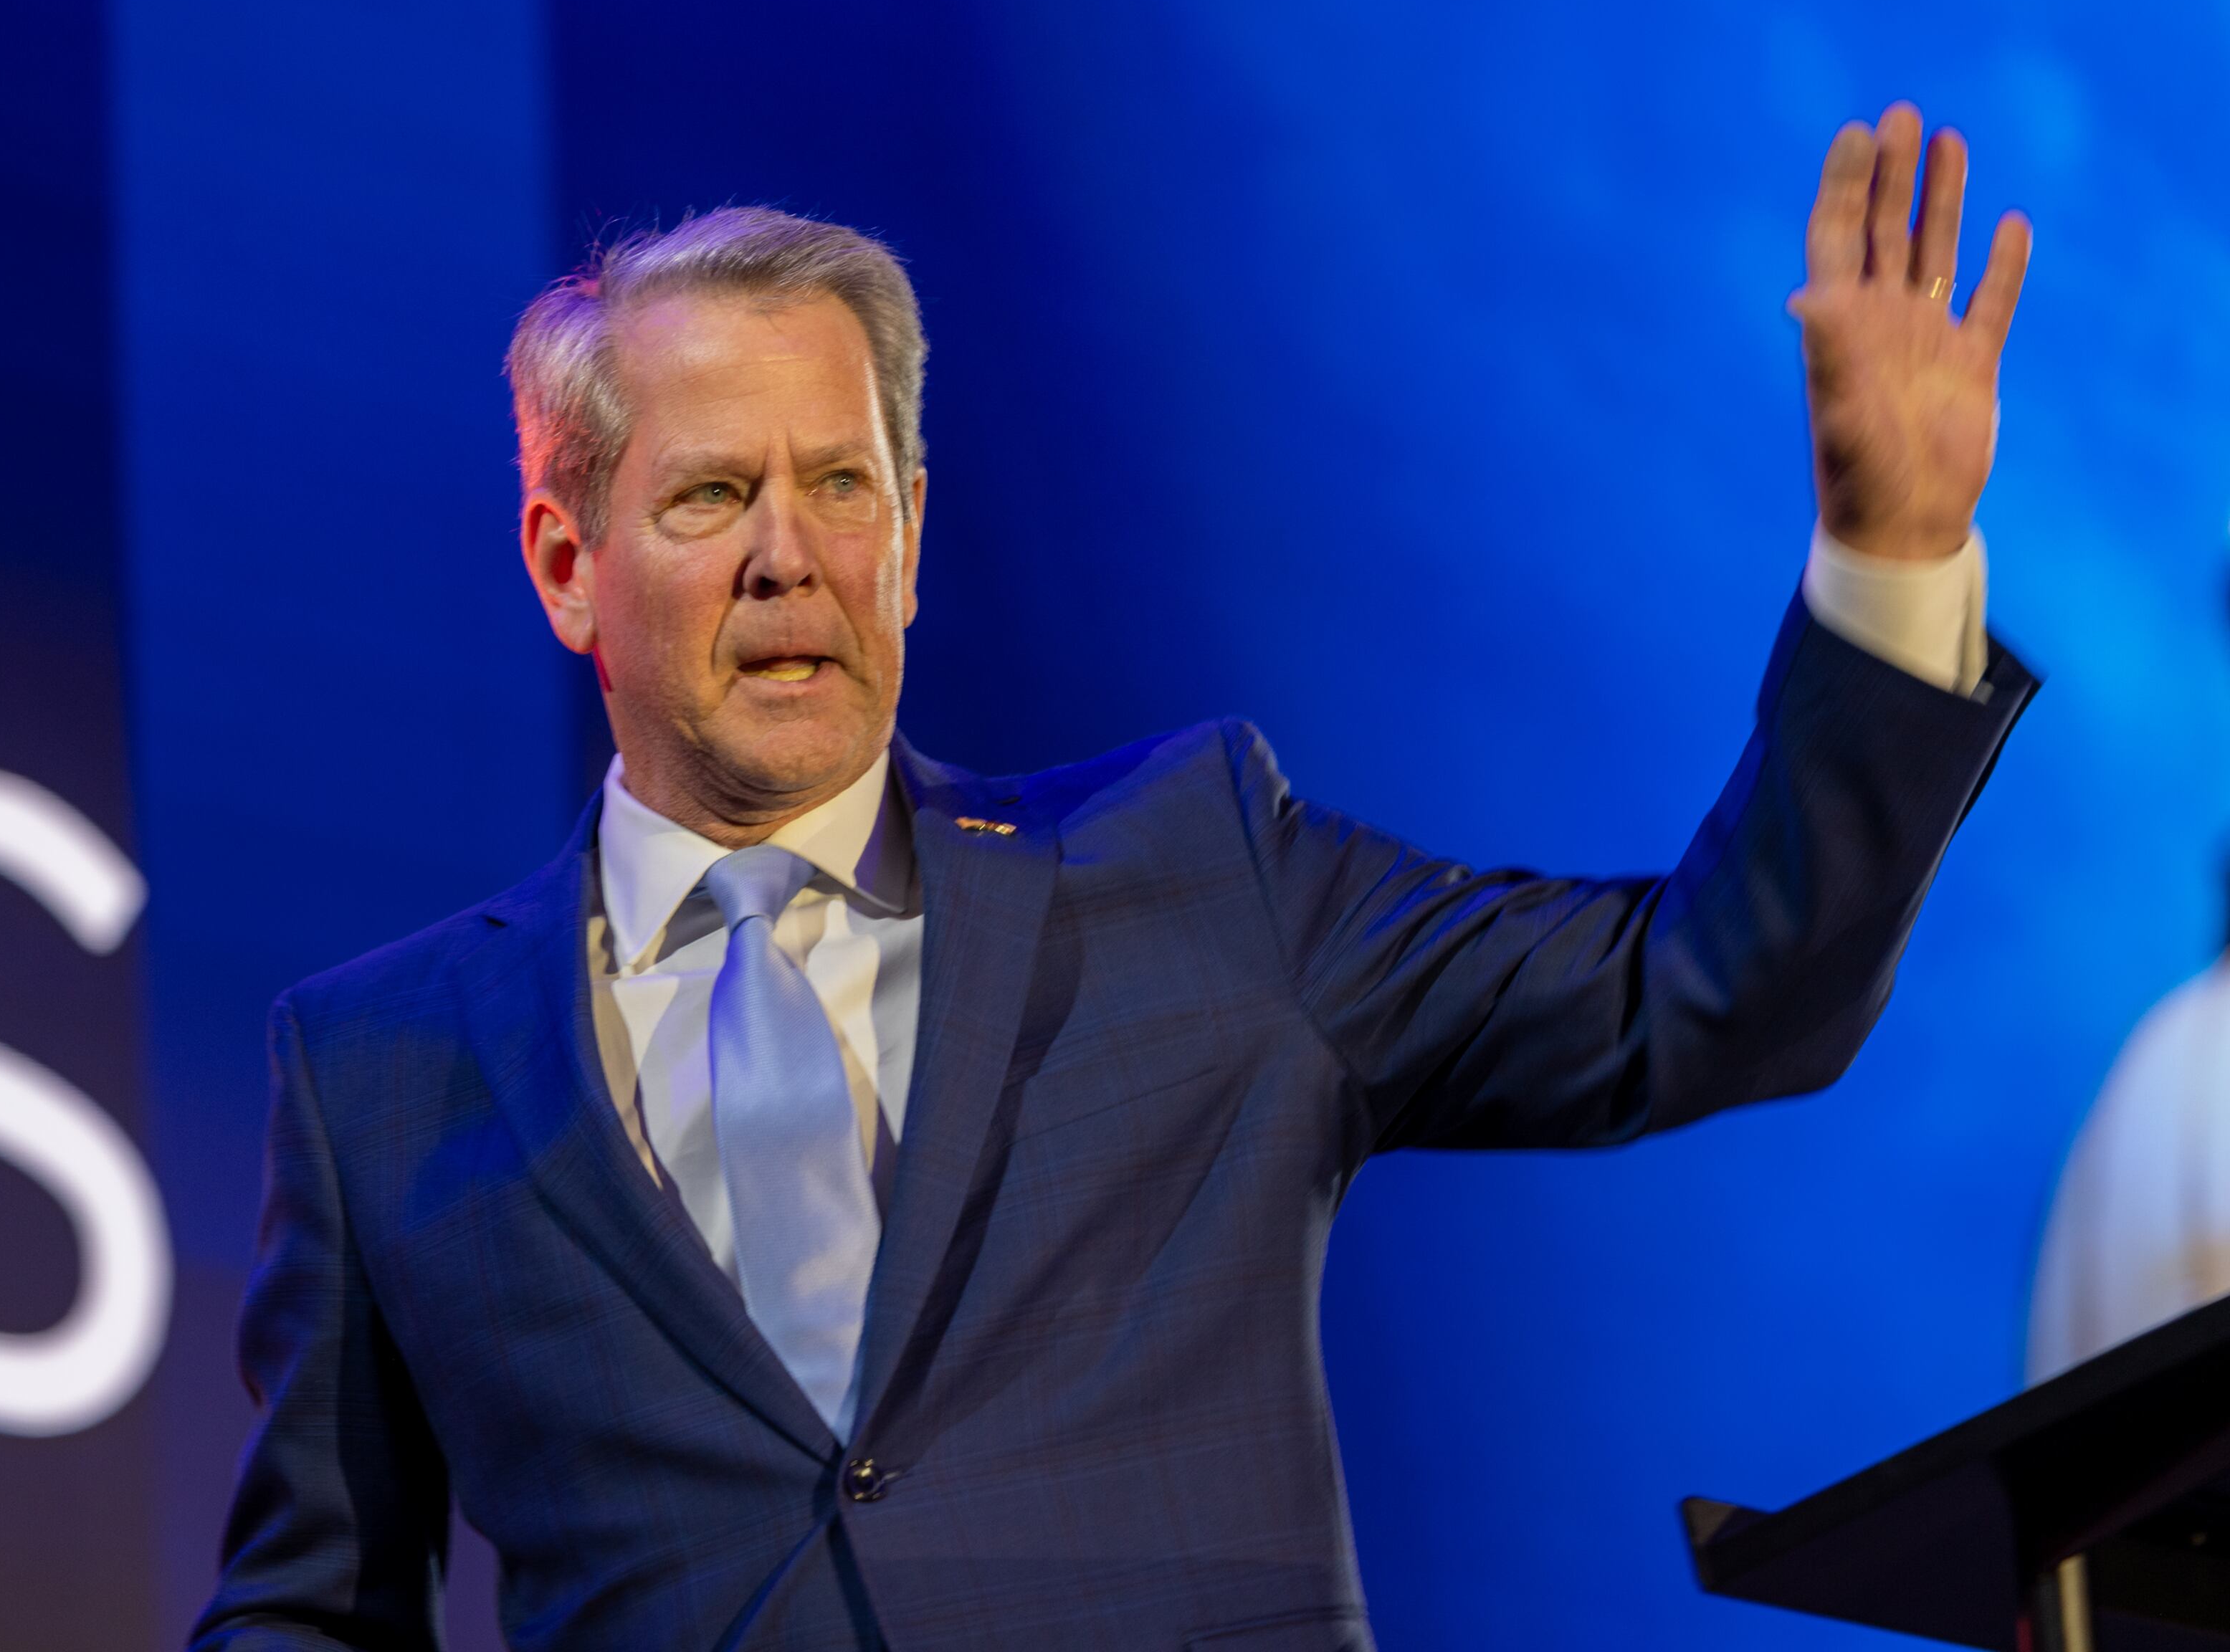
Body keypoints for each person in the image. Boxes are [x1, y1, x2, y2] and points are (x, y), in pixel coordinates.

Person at [193, 104, 2036, 1651]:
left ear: (911, 543)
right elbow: (307, 1613)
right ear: (565, 559)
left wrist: (1891, 558)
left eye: (842, 485)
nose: (789, 556)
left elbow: (1712, 988)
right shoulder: (381, 1072)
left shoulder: (1198, 870)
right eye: (706, 497)